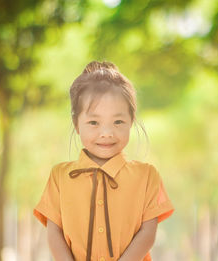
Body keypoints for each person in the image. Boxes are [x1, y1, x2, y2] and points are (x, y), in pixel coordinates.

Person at [33, 61, 174, 261]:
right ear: (77, 123)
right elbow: (54, 232)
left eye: (118, 122)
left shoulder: (147, 176)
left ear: (131, 121)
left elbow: (148, 233)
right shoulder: (59, 177)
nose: (106, 133)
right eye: (93, 122)